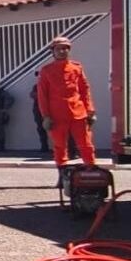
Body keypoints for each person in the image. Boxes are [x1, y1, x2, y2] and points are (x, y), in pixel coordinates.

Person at [37, 36, 97, 177]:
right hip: (56, 115)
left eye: (65, 48)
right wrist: (46, 116)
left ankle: (91, 171)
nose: (62, 51)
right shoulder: (46, 70)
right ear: (53, 51)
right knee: (59, 146)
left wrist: (90, 111)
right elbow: (42, 95)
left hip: (78, 113)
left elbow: (85, 90)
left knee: (86, 144)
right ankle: (63, 175)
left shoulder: (77, 68)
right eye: (59, 49)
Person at [29, 72, 50, 154]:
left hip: (50, 109)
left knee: (56, 128)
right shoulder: (36, 86)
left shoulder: (50, 84)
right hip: (38, 109)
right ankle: (44, 146)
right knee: (41, 128)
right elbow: (32, 95)